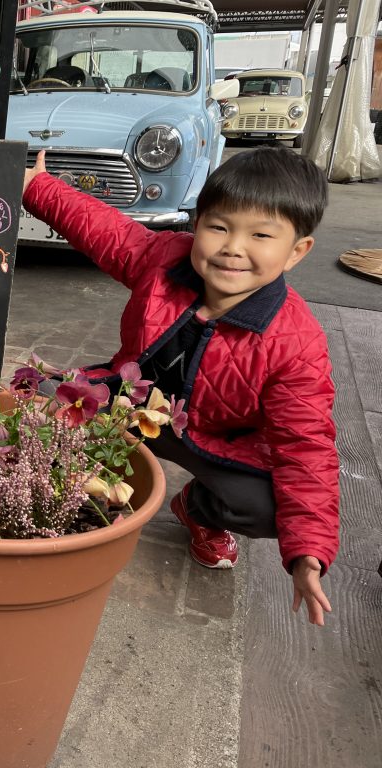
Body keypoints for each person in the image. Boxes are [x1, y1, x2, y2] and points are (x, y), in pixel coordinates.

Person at [23, 146, 338, 626]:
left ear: (297, 251)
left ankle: (200, 509)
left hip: (210, 440)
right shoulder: (165, 261)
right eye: (219, 227)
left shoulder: (297, 341)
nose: (234, 246)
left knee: (266, 505)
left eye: (260, 235)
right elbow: (106, 231)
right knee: (32, 401)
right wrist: (37, 187)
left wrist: (308, 553)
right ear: (197, 225)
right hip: (128, 403)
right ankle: (57, 489)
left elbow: (307, 446)